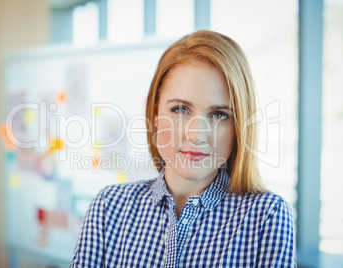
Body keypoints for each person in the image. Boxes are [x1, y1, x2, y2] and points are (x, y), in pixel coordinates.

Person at [69, 30, 296, 267]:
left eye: (219, 114)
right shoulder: (109, 207)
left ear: (238, 126)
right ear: (155, 113)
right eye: (180, 109)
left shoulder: (267, 217)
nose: (197, 135)